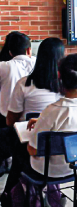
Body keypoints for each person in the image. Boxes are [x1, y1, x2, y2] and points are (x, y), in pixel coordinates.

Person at [22, 54, 77, 204]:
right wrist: (43, 120)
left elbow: (33, 150)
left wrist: (43, 121)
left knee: (21, 151)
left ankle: (40, 197)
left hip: (50, 171)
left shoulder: (52, 111)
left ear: (59, 75)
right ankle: (53, 195)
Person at [0, 37, 64, 205]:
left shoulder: (25, 84)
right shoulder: (68, 87)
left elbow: (10, 120)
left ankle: (9, 195)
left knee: (12, 141)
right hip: (63, 150)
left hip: (31, 145)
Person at [0, 32, 36, 126]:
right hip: (35, 119)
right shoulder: (40, 63)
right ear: (28, 50)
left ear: (10, 52)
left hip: (7, 120)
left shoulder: (3, 67)